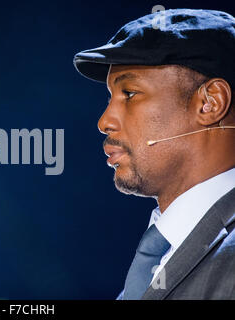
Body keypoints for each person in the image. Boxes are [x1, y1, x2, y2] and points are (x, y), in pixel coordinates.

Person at [73, 8, 235, 299]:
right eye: (111, 97)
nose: (104, 122)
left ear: (210, 103)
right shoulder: (161, 255)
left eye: (130, 94)